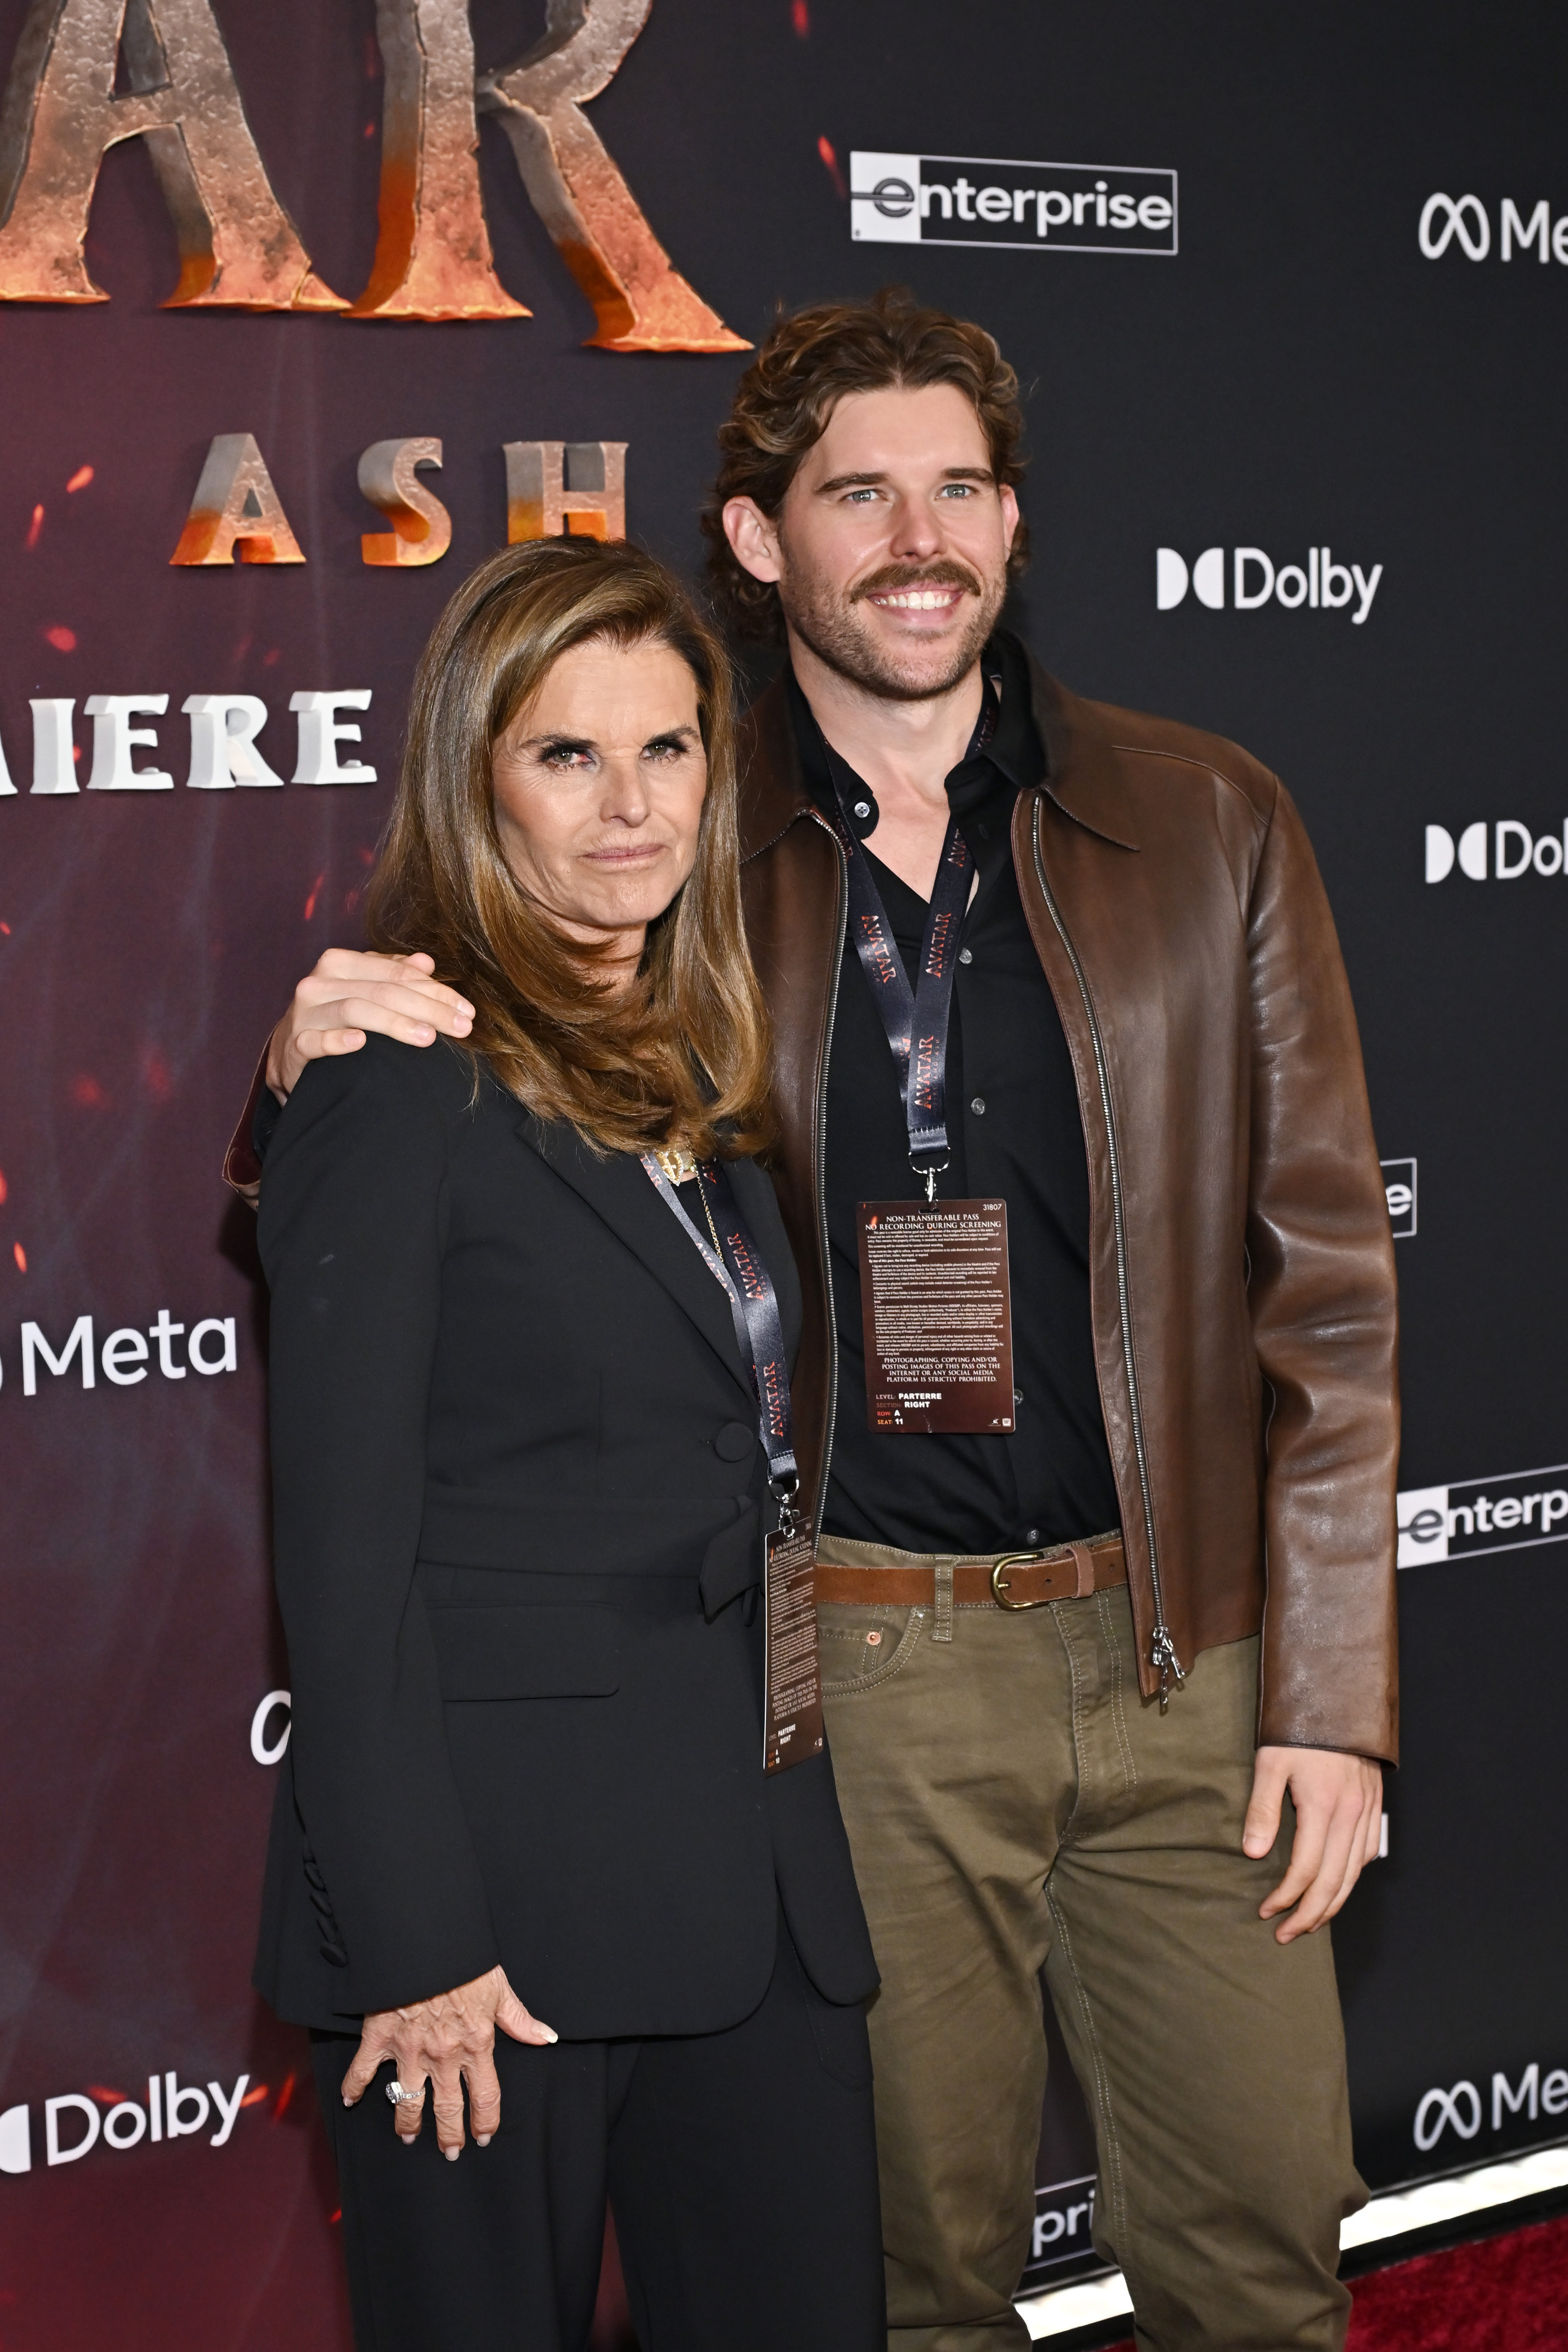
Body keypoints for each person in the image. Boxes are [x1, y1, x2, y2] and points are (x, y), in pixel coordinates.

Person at [236, 290, 1399, 2352]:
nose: (918, 537)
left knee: (1258, 2267)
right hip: (851, 1675)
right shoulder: (677, 839)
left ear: (1014, 522)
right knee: (908, 2288)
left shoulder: (1206, 818)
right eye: (858, 494)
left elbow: (1326, 1279)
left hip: (1178, 1660)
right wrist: (289, 1079)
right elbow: (455, 1144)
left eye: (958, 487)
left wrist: (1332, 1689)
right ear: (762, 542)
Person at [248, 536, 884, 2352]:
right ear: (478, 779)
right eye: (566, 757)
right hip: (492, 1933)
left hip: (753, 1882)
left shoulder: (709, 1057)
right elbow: (344, 1571)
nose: (630, 809)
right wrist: (413, 1939)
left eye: (669, 750)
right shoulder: (399, 1071)